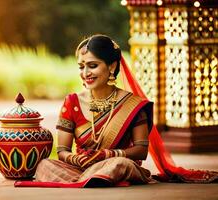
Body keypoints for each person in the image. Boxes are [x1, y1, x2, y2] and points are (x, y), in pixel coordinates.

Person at [15, 34, 218, 188]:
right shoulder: (73, 102)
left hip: (113, 162)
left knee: (120, 164)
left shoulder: (132, 104)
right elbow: (62, 151)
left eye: (92, 66)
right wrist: (75, 159)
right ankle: (91, 180)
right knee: (44, 165)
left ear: (111, 66)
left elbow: (141, 150)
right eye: (81, 67)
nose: (85, 73)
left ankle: (93, 179)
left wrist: (107, 154)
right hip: (81, 167)